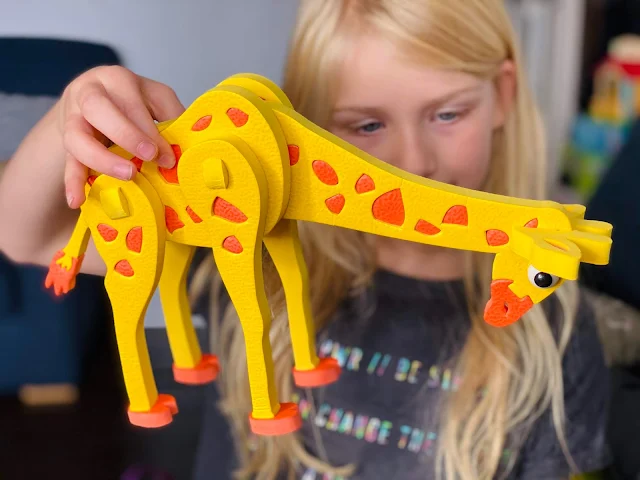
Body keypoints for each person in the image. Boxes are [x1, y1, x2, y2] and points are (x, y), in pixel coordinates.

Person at [0, 1, 612, 479]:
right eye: (366, 125)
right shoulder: (239, 252)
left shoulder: (555, 338)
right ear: (315, 124)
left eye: (447, 113)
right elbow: (23, 237)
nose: (414, 160)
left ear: (503, 95)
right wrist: (67, 118)